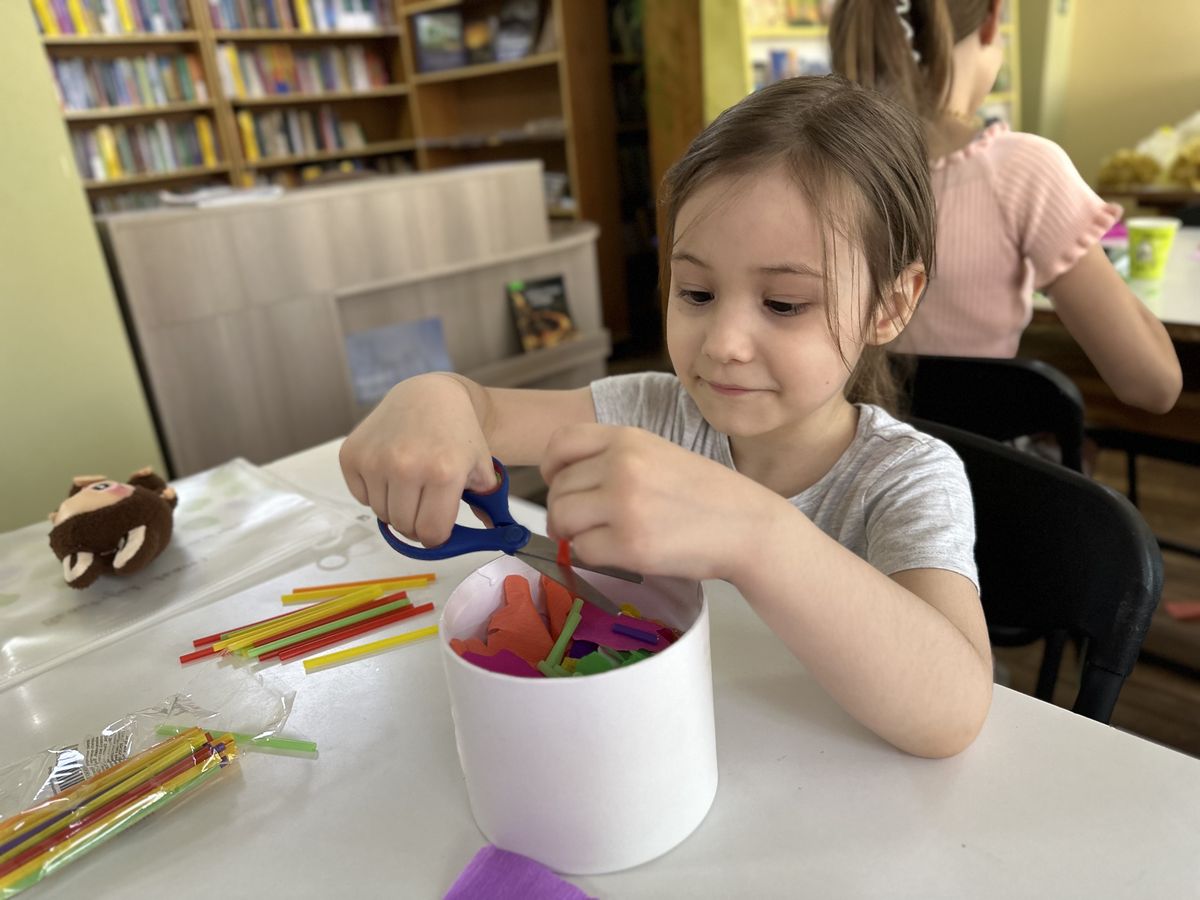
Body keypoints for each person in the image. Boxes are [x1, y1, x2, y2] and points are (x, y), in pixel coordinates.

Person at [339, 75, 992, 759]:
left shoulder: (905, 478)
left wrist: (758, 533)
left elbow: (952, 713)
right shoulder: (652, 413)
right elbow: (483, 412)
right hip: (640, 755)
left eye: (784, 304)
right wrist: (433, 396)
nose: (723, 343)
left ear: (891, 304)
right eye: (698, 292)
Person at [830, 0, 1182, 413]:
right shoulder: (1023, 170)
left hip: (840, 452)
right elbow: (1154, 385)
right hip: (975, 454)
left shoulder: (814, 166)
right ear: (992, 19)